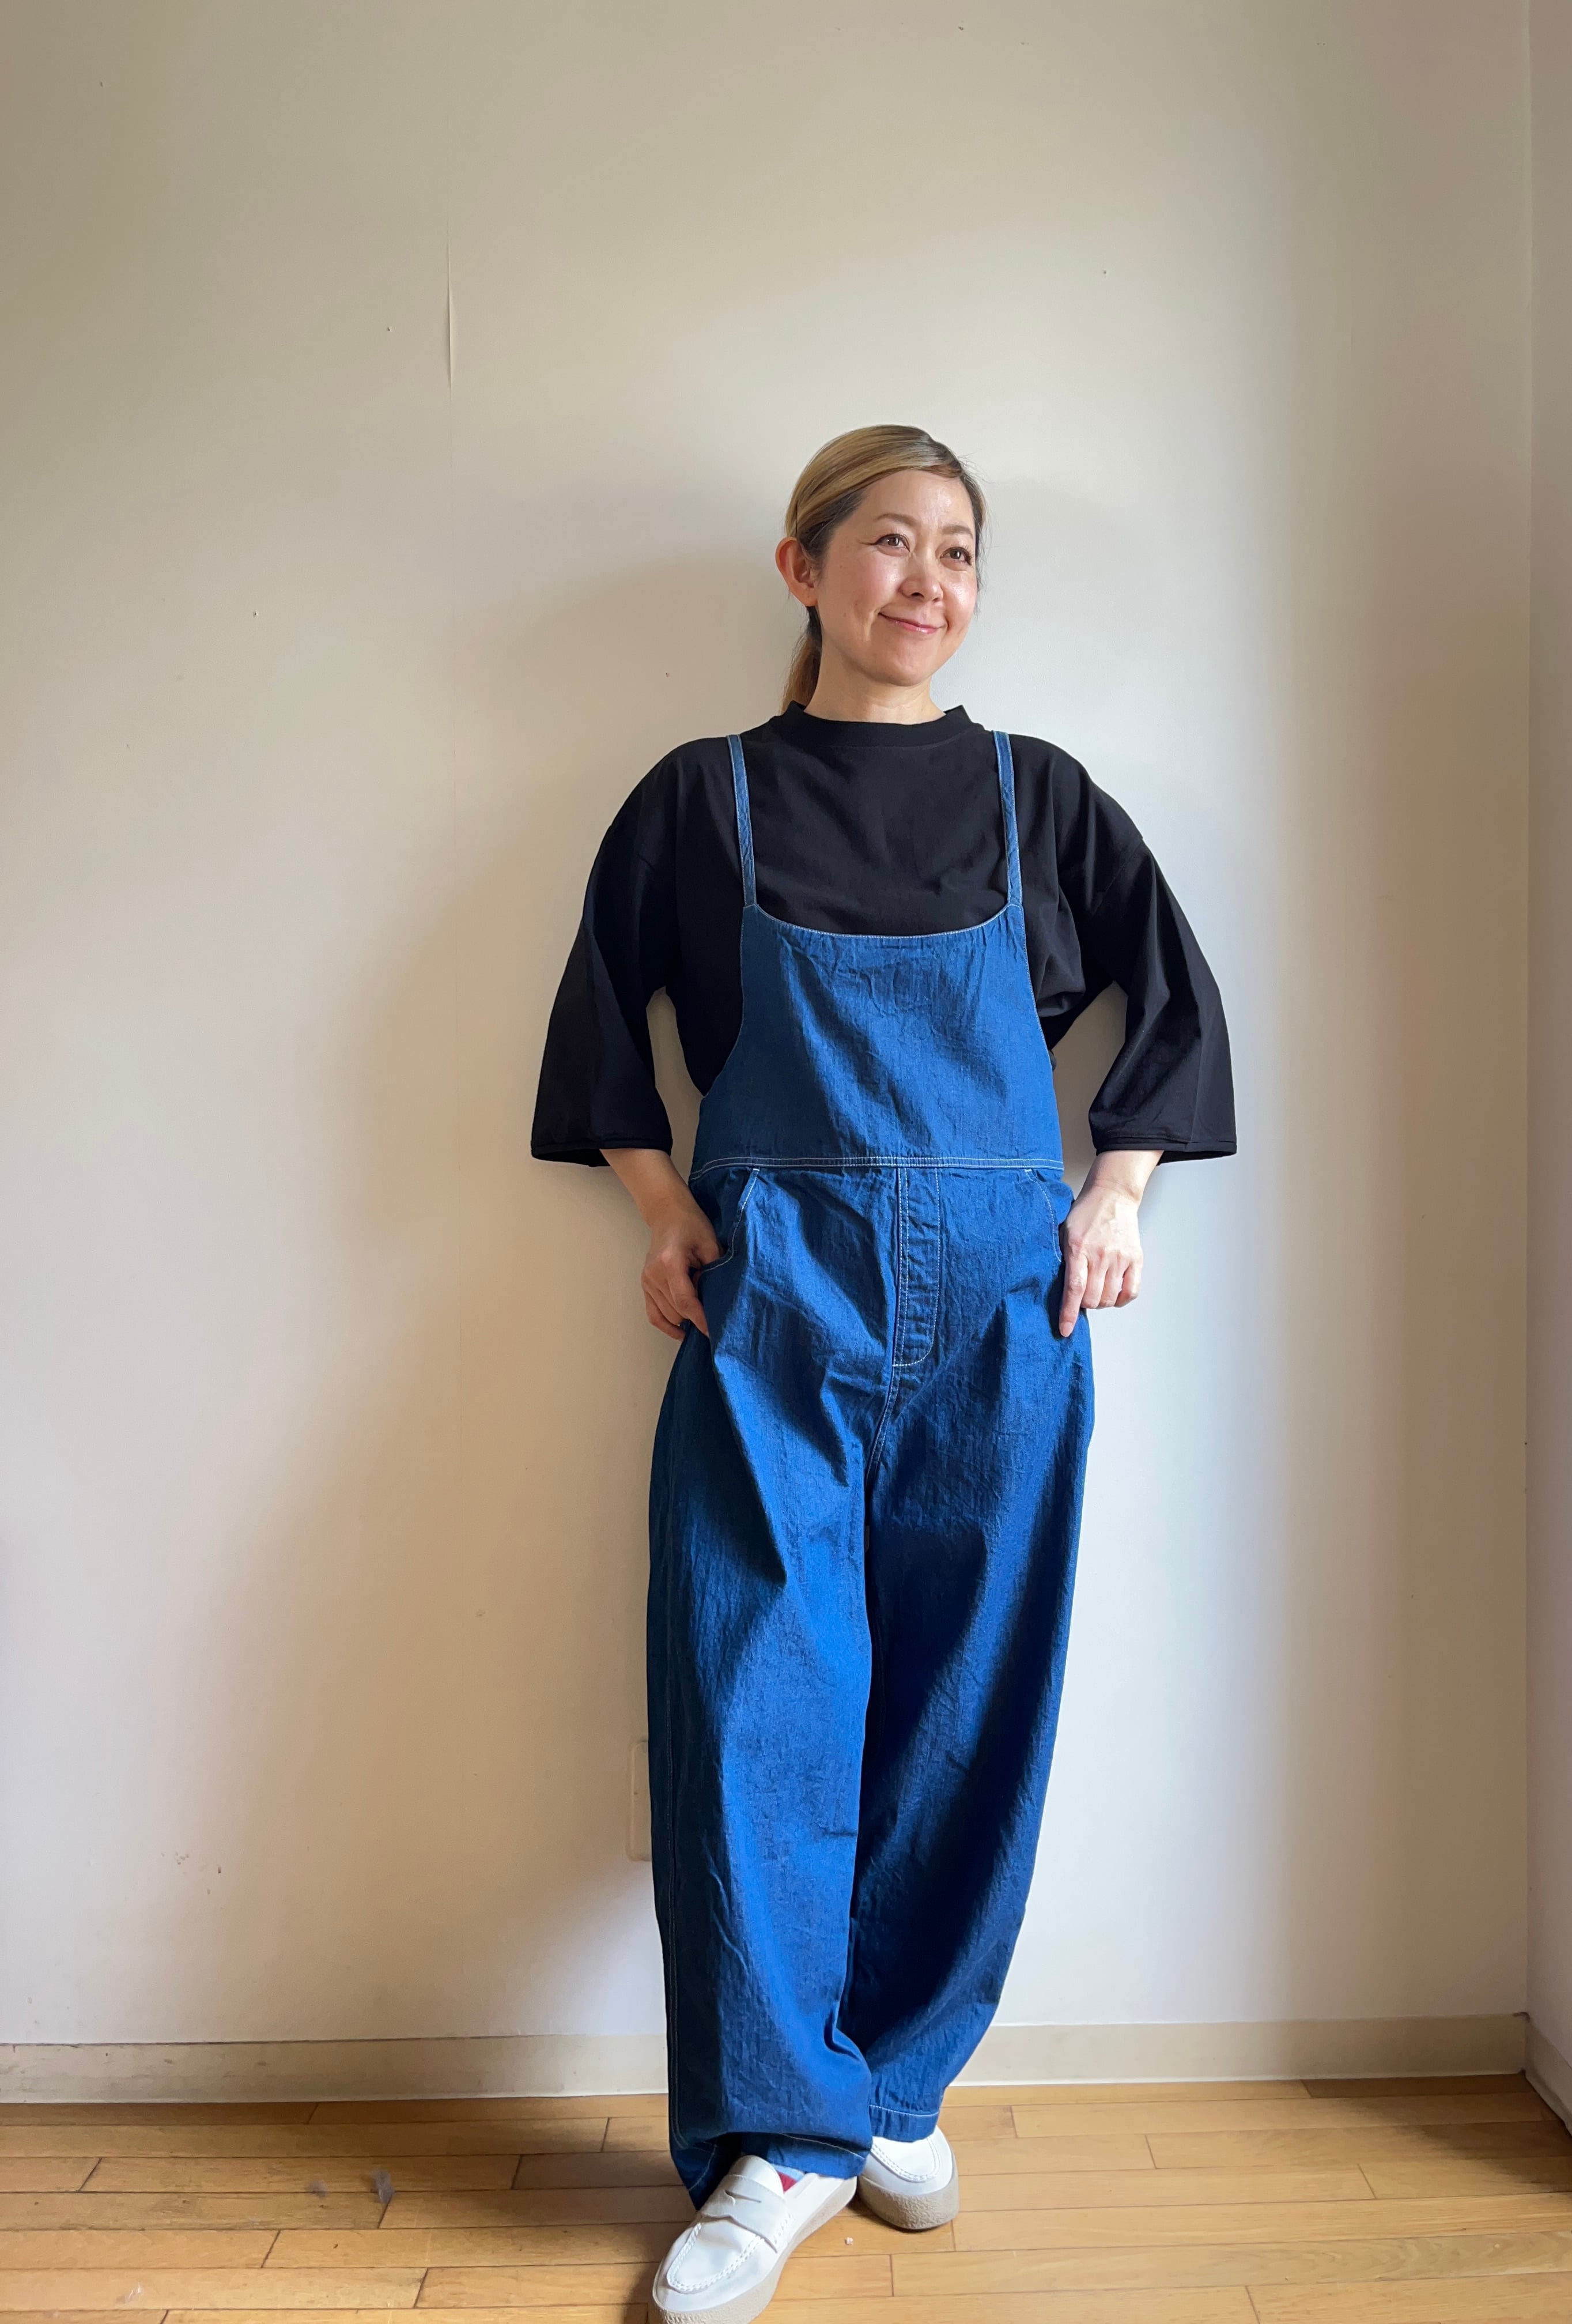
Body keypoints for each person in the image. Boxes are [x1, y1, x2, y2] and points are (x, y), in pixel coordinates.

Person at [532, 425, 1235, 2322]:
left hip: (1010, 1303)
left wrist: (1119, 1192)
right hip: (775, 1300)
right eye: (890, 542)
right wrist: (663, 1209)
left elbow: (1174, 1002)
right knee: (751, 1693)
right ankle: (780, 2140)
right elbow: (602, 1019)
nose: (928, 580)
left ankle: (896, 2086)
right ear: (804, 567)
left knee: (967, 1702)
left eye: (960, 552)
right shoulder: (704, 797)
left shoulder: (1038, 797)